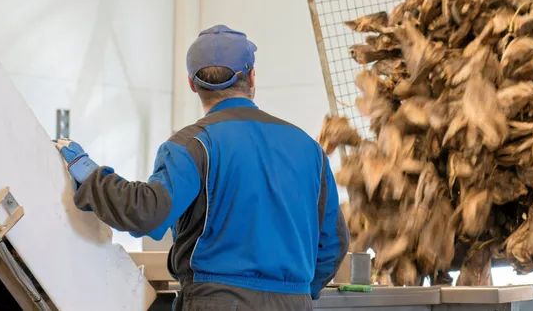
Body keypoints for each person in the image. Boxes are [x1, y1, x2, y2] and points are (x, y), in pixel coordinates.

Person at [54, 24, 347, 311]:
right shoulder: (309, 149)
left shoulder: (194, 145)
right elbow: (333, 244)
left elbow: (148, 213)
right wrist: (295, 292)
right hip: (294, 302)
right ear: (252, 76)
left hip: (218, 300)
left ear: (192, 83)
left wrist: (92, 178)